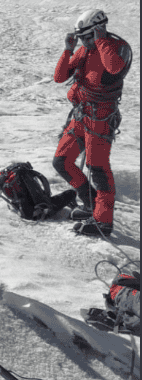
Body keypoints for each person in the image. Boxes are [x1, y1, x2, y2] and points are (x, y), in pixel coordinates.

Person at [51, 10, 132, 237]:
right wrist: (69, 49)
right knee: (61, 161)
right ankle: (91, 204)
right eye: (82, 38)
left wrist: (101, 39)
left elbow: (114, 68)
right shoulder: (85, 50)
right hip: (81, 115)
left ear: (99, 29)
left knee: (98, 169)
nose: (85, 42)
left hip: (100, 119)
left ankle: (103, 221)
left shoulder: (116, 48)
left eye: (87, 36)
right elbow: (59, 77)